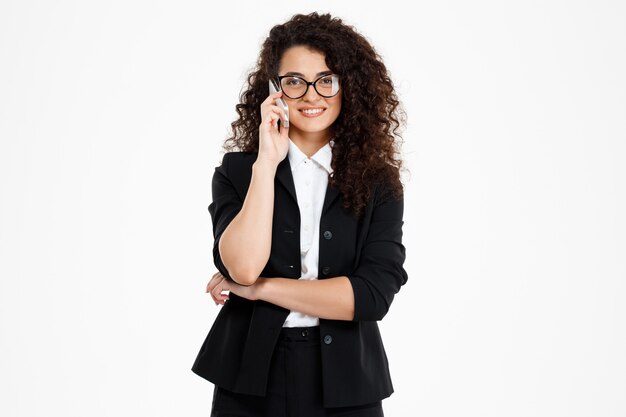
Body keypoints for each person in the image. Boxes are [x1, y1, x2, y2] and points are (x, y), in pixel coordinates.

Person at [192, 12, 409, 417]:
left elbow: (370, 296)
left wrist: (260, 290)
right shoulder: (239, 171)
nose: (311, 95)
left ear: (349, 88)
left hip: (348, 384)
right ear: (273, 91)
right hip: (250, 380)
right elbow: (241, 267)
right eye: (294, 81)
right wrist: (266, 164)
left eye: (326, 80)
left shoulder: (379, 182)